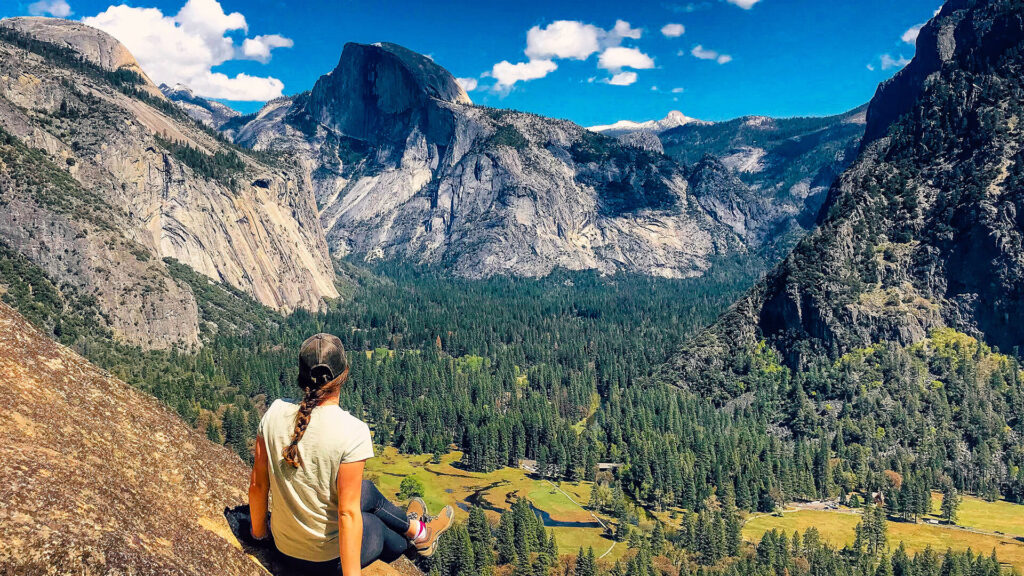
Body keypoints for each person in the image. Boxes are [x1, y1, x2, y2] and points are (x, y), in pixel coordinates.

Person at [248, 333, 454, 575]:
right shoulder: (352, 431)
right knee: (382, 530)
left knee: (365, 490)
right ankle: (416, 537)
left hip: (284, 546)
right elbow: (347, 515)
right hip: (323, 561)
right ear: (344, 373)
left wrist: (259, 535)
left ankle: (416, 529)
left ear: (301, 375)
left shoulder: (274, 412)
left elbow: (258, 485)